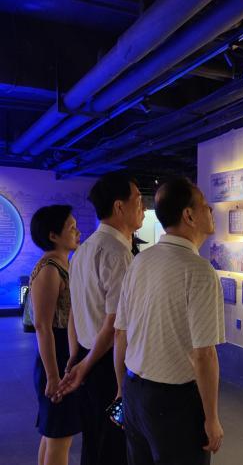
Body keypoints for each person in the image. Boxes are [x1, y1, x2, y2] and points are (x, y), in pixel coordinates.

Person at [114, 177, 225, 465]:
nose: (211, 209)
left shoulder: (140, 261)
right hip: (174, 403)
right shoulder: (199, 271)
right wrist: (212, 418)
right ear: (189, 215)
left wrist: (122, 390)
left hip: (134, 391)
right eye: (204, 204)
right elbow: (204, 354)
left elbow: (120, 333)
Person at [58, 172, 144, 465]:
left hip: (87, 355)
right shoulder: (117, 252)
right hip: (107, 363)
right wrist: (86, 365)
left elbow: (75, 310)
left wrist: (76, 356)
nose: (143, 209)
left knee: (93, 441)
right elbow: (115, 325)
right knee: (113, 446)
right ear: (120, 207)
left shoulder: (83, 250)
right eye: (138, 201)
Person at [28, 205, 82, 465]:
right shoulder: (50, 269)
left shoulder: (62, 265)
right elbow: (43, 326)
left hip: (62, 352)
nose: (77, 232)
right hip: (56, 355)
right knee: (59, 437)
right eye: (71, 228)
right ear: (53, 235)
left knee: (53, 434)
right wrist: (53, 376)